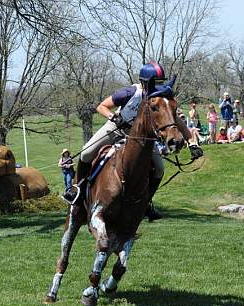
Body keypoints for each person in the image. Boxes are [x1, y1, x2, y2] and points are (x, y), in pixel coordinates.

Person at [70, 62, 203, 221]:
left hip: (140, 137)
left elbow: (176, 121)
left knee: (159, 169)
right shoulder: (130, 92)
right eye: (156, 83)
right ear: (145, 82)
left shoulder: (161, 99)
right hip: (118, 128)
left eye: (161, 83)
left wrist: (192, 143)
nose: (159, 87)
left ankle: (146, 203)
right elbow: (102, 106)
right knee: (86, 152)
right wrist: (115, 118)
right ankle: (77, 189)